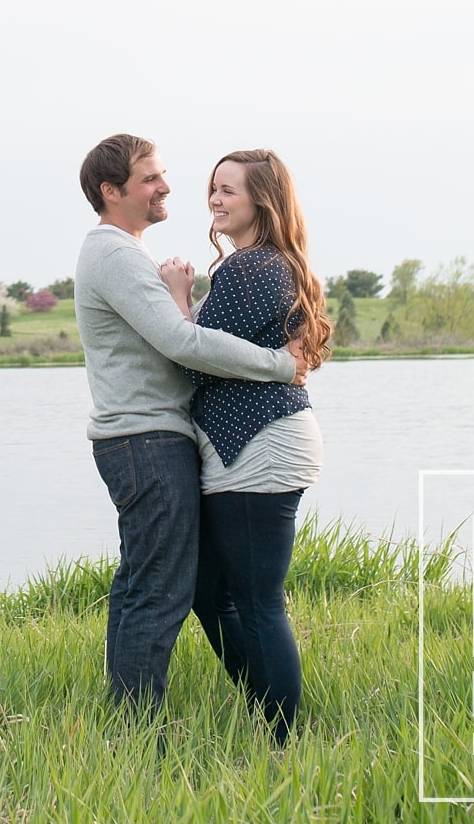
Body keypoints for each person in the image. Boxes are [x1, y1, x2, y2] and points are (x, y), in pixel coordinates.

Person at [73, 133, 308, 713]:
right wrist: (282, 365)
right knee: (159, 589)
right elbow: (184, 343)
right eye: (150, 177)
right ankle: (136, 725)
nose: (167, 186)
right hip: (145, 438)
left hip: (161, 436)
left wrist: (181, 297)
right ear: (112, 190)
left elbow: (196, 338)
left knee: (161, 584)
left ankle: (149, 716)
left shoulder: (130, 254)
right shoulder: (114, 253)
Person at [164, 148, 331, 745]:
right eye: (212, 189)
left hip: (259, 446)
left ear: (263, 198)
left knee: (256, 602)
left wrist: (179, 297)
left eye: (228, 190)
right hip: (251, 445)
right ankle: (266, 712)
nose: (214, 199)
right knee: (211, 593)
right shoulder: (265, 265)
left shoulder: (249, 268)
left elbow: (196, 356)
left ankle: (282, 739)